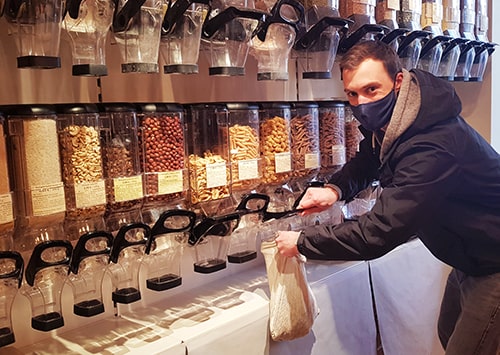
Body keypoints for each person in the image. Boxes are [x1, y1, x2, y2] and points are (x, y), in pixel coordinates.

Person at [275, 40, 500, 354]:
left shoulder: (433, 144)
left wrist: (302, 242)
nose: (361, 103)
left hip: (494, 262)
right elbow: (370, 159)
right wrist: (334, 190)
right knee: (448, 332)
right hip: (472, 255)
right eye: (352, 94)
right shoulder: (397, 120)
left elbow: (378, 233)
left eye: (371, 90)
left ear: (397, 82)